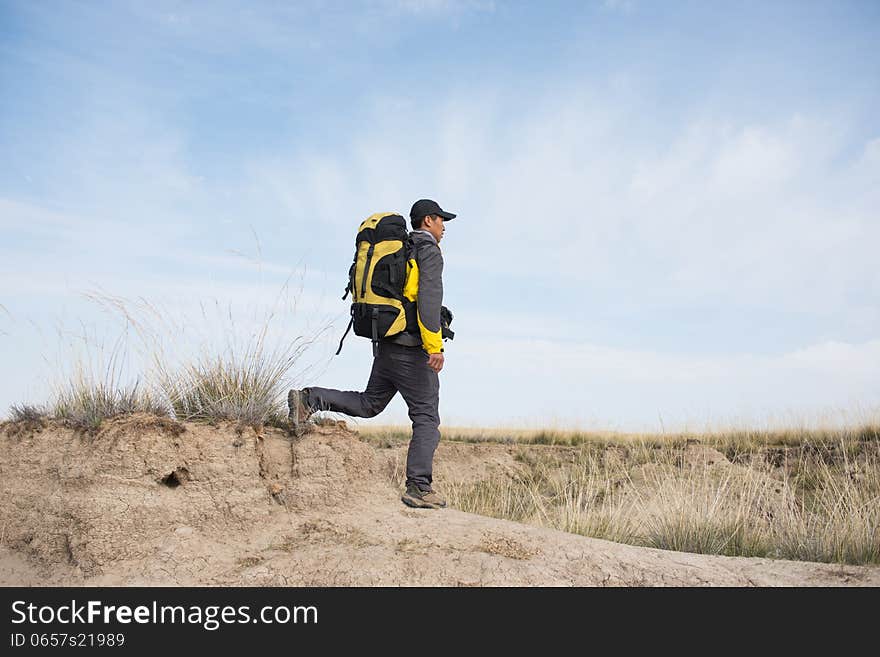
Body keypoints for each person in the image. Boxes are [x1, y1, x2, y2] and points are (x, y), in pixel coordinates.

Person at [288, 198, 455, 509]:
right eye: (441, 221)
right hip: (410, 348)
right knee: (426, 417)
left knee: (370, 403)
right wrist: (435, 347)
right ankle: (419, 487)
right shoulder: (427, 250)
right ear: (429, 220)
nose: (444, 227)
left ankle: (310, 399)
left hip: (386, 344)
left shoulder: (402, 248)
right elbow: (428, 302)